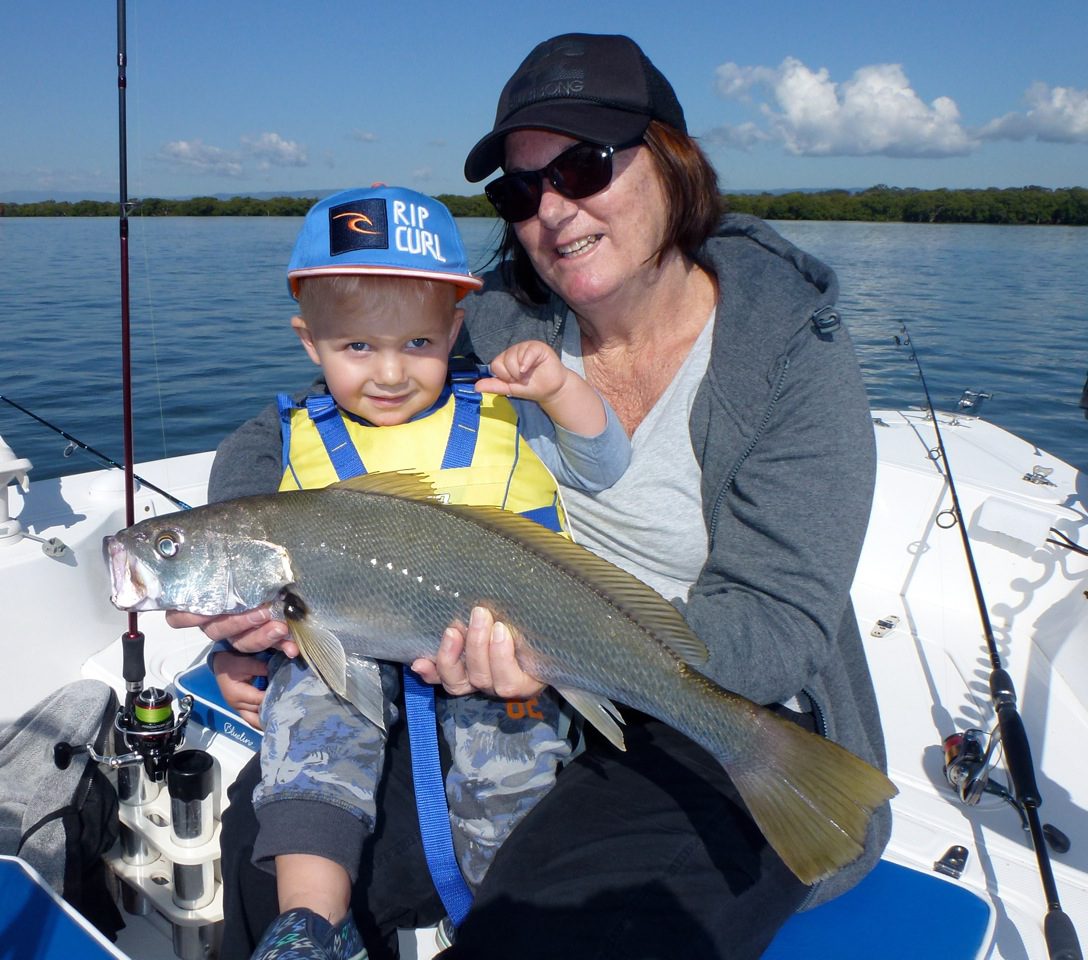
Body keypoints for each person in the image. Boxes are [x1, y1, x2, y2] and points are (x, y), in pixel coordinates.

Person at [170, 32, 889, 960]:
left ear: (675, 160)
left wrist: (568, 643)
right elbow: (283, 432)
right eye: (518, 190)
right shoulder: (499, 323)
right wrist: (259, 589)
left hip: (717, 711)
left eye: (584, 167)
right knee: (272, 859)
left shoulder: (793, 351)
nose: (552, 210)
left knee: (556, 930)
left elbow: (780, 626)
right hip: (499, 678)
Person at [196, 183, 630, 960]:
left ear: (454, 329)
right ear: (309, 342)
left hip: (509, 655)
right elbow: (244, 563)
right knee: (307, 731)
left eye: (419, 345)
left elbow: (604, 465)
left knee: (511, 780)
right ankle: (307, 929)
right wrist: (236, 642)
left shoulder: (510, 405)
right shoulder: (273, 445)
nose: (390, 372)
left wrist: (566, 390)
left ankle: (502, 924)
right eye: (357, 347)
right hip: (347, 644)